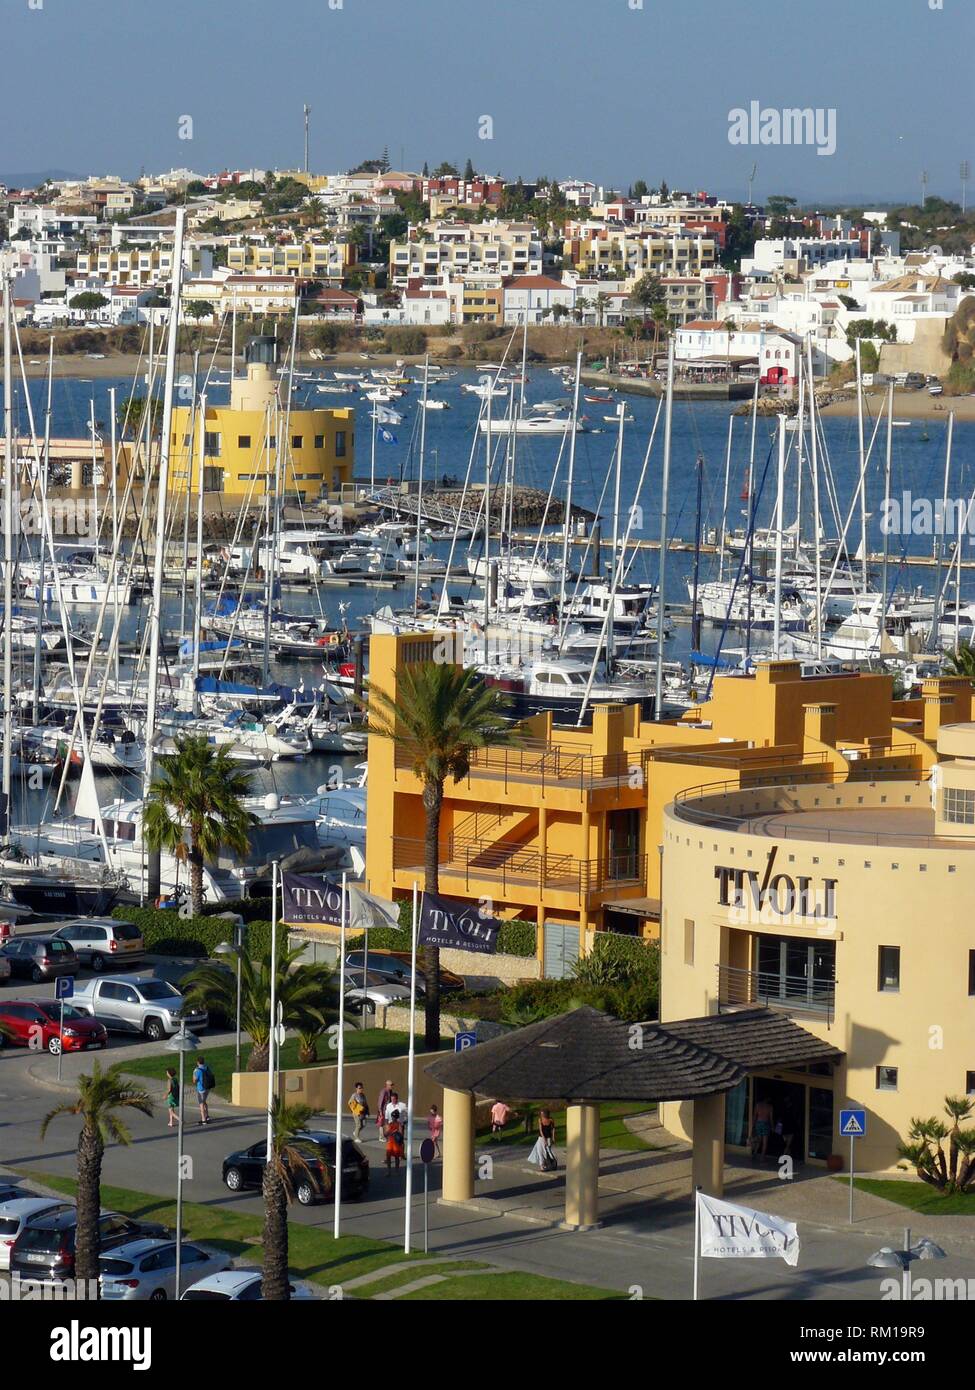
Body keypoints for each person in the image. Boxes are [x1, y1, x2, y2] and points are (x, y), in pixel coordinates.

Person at [192, 1056, 213, 1126]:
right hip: (208, 1088)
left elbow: (194, 1081)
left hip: (201, 1089)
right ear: (203, 1062)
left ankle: (203, 1119)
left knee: (201, 1104)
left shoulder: (197, 1070)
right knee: (204, 1102)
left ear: (197, 1062)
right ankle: (207, 1116)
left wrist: (193, 1073)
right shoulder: (207, 1068)